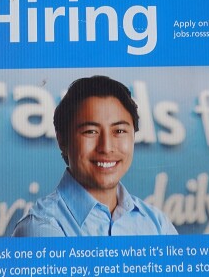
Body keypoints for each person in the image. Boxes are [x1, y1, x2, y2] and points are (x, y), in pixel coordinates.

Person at [12, 75, 177, 237]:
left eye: (119, 131)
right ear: (62, 140)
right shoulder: (41, 228)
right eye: (90, 131)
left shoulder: (157, 224)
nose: (106, 147)